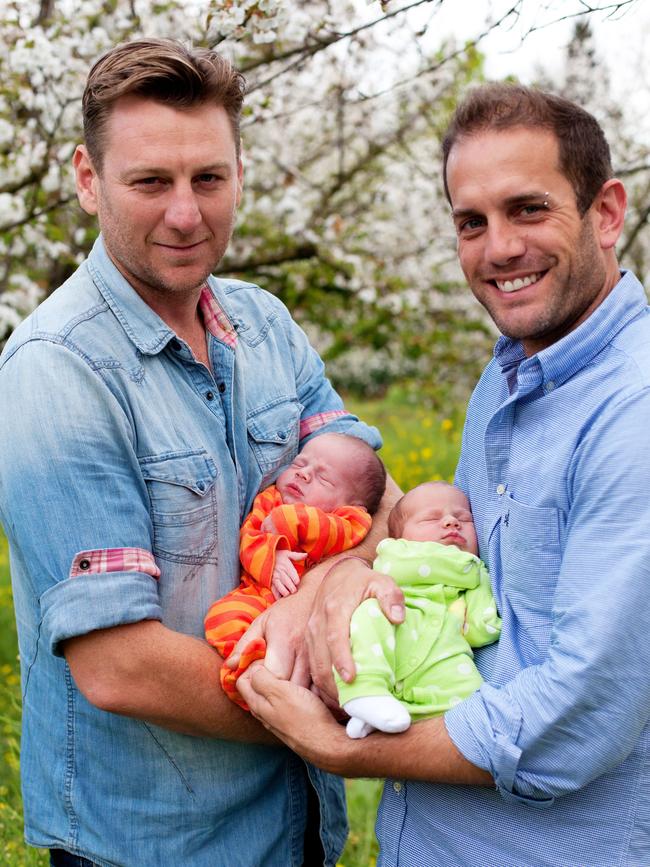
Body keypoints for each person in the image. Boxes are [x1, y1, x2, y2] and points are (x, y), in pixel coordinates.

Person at [237, 82, 650, 866]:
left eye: (529, 209)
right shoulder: (507, 377)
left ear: (606, 211)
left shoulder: (634, 412)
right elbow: (457, 559)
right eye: (472, 222)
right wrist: (349, 574)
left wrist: (346, 750)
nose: (498, 248)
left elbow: (580, 714)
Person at [0, 39, 387, 867]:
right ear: (85, 177)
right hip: (157, 843)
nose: (186, 213)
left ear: (240, 173)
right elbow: (121, 665)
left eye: (209, 178)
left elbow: (375, 501)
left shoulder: (267, 324)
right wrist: (332, 692)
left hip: (301, 826)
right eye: (150, 182)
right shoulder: (57, 372)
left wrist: (322, 581)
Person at [205, 432, 386, 709]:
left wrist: (286, 519)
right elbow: (250, 538)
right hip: (260, 595)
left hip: (323, 606)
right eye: (299, 464)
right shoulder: (270, 500)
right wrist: (272, 555)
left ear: (353, 504)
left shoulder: (352, 519)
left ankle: (348, 696)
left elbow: (335, 533)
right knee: (222, 617)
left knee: (353, 638)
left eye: (323, 478)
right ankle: (251, 668)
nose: (303, 475)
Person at [337, 481, 500, 739]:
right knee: (369, 617)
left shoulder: (473, 579)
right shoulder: (397, 556)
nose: (451, 522)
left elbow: (481, 631)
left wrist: (486, 607)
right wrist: (470, 568)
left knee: (467, 687)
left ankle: (399, 716)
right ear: (399, 538)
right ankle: (366, 692)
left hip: (438, 657)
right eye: (431, 518)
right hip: (394, 628)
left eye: (463, 519)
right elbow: (404, 566)